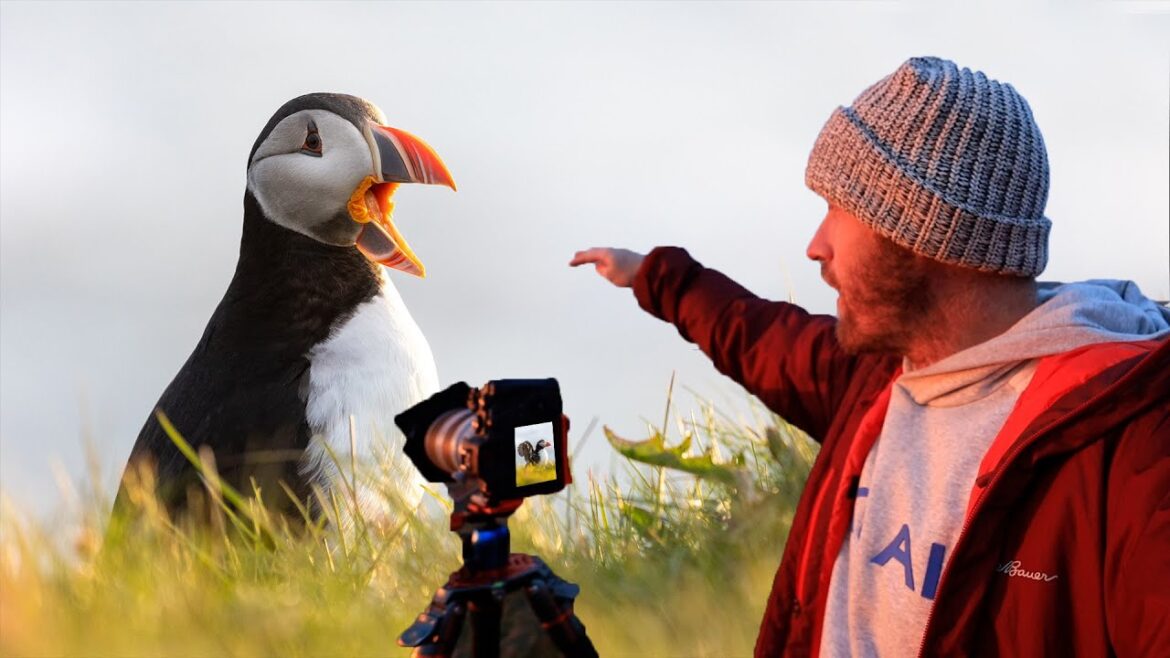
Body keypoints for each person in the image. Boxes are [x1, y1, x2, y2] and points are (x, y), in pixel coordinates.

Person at [570, 56, 1170, 657]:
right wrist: (657, 278)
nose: (814, 246)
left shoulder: (1129, 445)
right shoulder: (882, 377)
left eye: (839, 209)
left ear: (925, 234)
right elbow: (764, 339)